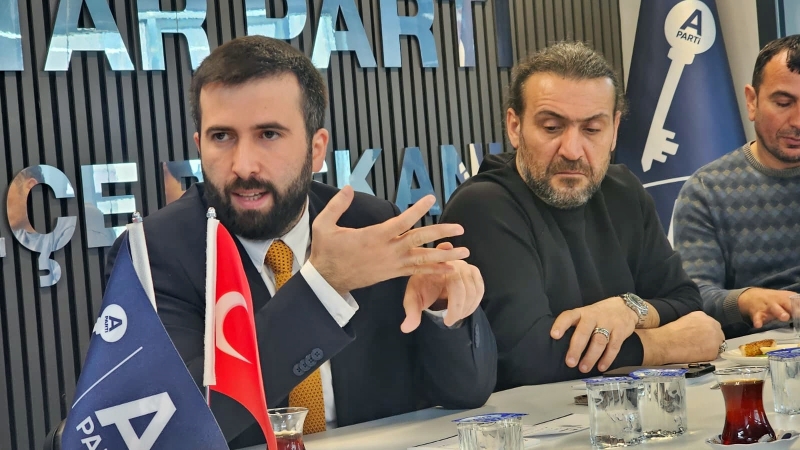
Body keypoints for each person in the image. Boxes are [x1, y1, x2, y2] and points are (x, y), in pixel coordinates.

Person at [106, 36, 496, 447]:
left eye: (268, 134)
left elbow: (466, 393)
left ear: (316, 149)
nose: (243, 165)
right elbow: (179, 424)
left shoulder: (369, 224)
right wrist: (322, 287)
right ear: (199, 146)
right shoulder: (153, 254)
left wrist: (441, 308)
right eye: (222, 137)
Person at [439, 41, 723, 390]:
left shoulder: (623, 190)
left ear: (614, 129)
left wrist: (628, 308)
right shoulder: (483, 206)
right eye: (552, 127)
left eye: (591, 130)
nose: (572, 151)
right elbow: (529, 358)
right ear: (515, 126)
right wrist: (663, 344)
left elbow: (686, 301)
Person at [674, 35, 800, 338]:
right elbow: (692, 296)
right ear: (752, 101)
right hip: (756, 352)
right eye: (783, 103)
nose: (798, 121)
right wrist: (745, 300)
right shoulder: (706, 191)